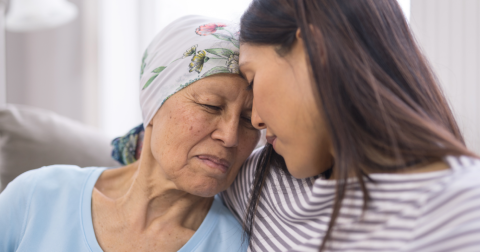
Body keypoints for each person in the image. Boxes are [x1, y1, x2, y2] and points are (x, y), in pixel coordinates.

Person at [220, 0, 480, 251]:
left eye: (252, 80)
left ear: (313, 51)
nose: (256, 120)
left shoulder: (462, 212)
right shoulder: (258, 181)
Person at [0, 15, 258, 252]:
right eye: (211, 105)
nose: (230, 136)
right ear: (154, 104)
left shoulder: (237, 245)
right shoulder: (37, 197)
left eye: (249, 120)